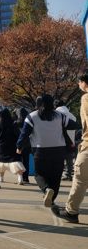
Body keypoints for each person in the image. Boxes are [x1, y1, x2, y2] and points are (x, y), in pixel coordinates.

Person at [17, 94, 78, 208]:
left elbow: (24, 133)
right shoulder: (60, 116)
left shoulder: (32, 116)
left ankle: (46, 190)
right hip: (59, 150)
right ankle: (52, 200)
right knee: (56, 176)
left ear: (39, 103)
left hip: (40, 151)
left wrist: (19, 146)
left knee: (39, 174)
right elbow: (74, 125)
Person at [52, 71, 88, 223]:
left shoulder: (86, 98)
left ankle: (71, 212)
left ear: (84, 82)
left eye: (79, 82)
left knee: (80, 178)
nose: (78, 85)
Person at [0, 108, 25, 185]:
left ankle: (0, 178)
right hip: (13, 145)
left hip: (1, 146)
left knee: (1, 163)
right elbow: (18, 134)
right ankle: (20, 178)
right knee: (15, 161)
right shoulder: (13, 122)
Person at [55, 100, 77, 180]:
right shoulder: (70, 114)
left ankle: (59, 174)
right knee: (69, 157)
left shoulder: (57, 114)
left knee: (59, 157)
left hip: (60, 137)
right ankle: (68, 174)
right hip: (71, 138)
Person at [14, 107, 31, 183]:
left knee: (18, 161)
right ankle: (26, 178)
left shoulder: (15, 123)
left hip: (18, 145)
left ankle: (20, 178)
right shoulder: (28, 122)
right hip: (27, 145)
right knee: (26, 162)